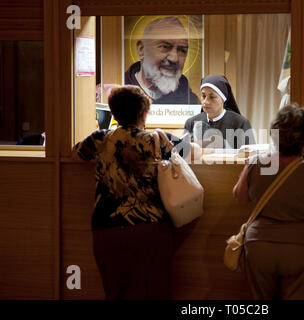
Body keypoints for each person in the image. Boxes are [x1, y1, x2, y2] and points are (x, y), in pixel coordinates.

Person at [72, 85, 200, 299]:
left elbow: (76, 153)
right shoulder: (156, 140)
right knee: (154, 293)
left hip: (107, 230)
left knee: (116, 293)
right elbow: (193, 151)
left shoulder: (100, 139)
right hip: (150, 230)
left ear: (113, 113)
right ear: (143, 113)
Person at [232, 104, 304, 299]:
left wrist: (249, 168)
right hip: (301, 250)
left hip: (259, 248)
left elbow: (240, 198)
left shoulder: (256, 163)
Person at [124, 17, 200, 105]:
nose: (174, 58)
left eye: (182, 50)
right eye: (164, 47)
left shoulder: (191, 101)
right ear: (141, 50)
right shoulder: (120, 93)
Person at [184, 74, 255, 149]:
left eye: (212, 97)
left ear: (223, 99)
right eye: (203, 96)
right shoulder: (191, 123)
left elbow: (250, 156)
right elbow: (183, 153)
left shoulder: (240, 123)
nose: (206, 101)